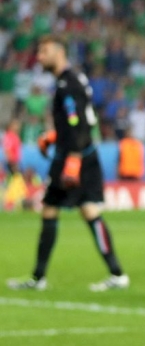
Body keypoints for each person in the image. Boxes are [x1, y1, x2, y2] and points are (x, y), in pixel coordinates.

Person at [7, 36, 129, 292]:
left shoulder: (67, 84)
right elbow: (83, 119)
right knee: (74, 210)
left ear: (59, 52)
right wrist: (54, 136)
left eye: (44, 51)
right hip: (77, 153)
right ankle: (114, 274)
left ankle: (41, 278)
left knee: (64, 210)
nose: (39, 57)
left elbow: (79, 125)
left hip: (75, 157)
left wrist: (72, 158)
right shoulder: (72, 80)